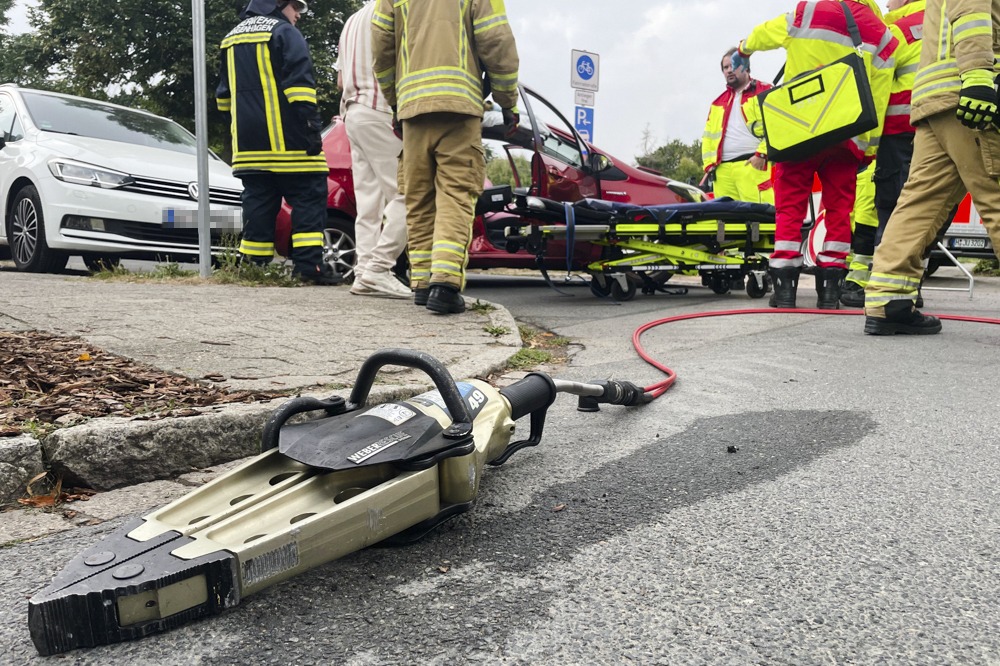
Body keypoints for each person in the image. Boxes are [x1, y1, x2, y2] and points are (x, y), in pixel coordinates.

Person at [734, 0, 897, 309]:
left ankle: (784, 291)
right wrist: (868, 147)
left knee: (790, 206)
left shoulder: (809, 10)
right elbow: (879, 94)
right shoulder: (882, 33)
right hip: (846, 133)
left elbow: (763, 34)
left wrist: (744, 47)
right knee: (839, 211)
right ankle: (830, 293)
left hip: (800, 129)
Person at [371, 0, 519, 314]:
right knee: (456, 194)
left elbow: (382, 49)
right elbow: (497, 40)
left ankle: (422, 284)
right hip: (459, 107)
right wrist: (507, 101)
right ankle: (445, 284)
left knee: (419, 197)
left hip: (412, 109)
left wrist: (395, 101)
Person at [864, 0, 1000, 335]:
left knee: (920, 203)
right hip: (967, 93)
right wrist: (979, 75)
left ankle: (888, 301)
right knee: (995, 193)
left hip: (933, 101)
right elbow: (971, 13)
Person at [216, 0, 339, 285]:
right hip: (290, 143)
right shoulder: (285, 32)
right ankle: (309, 266)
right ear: (277, 4)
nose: (298, 14)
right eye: (295, 7)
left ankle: (252, 266)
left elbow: (223, 97)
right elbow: (300, 87)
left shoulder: (230, 38)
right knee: (309, 198)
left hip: (249, 148)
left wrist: (241, 128)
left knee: (258, 204)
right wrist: (311, 127)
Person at [841, 0, 927, 307]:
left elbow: (875, 88)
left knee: (891, 210)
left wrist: (866, 141)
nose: (887, 3)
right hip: (943, 133)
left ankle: (885, 292)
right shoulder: (950, 26)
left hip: (896, 136)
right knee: (926, 210)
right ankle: (909, 286)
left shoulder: (898, 31)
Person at [336, 1, 410, 299]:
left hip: (352, 112)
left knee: (368, 204)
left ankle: (364, 271)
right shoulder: (395, 10)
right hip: (381, 110)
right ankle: (379, 269)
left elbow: (341, 80)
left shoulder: (352, 20)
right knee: (409, 194)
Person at [702, 48, 774, 204]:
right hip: (722, 173)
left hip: (752, 165)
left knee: (761, 220)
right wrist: (708, 166)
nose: (729, 70)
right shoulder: (717, 103)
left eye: (733, 65)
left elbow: (778, 127)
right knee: (727, 224)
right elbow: (707, 137)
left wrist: (761, 154)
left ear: (746, 67)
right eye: (725, 68)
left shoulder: (765, 91)